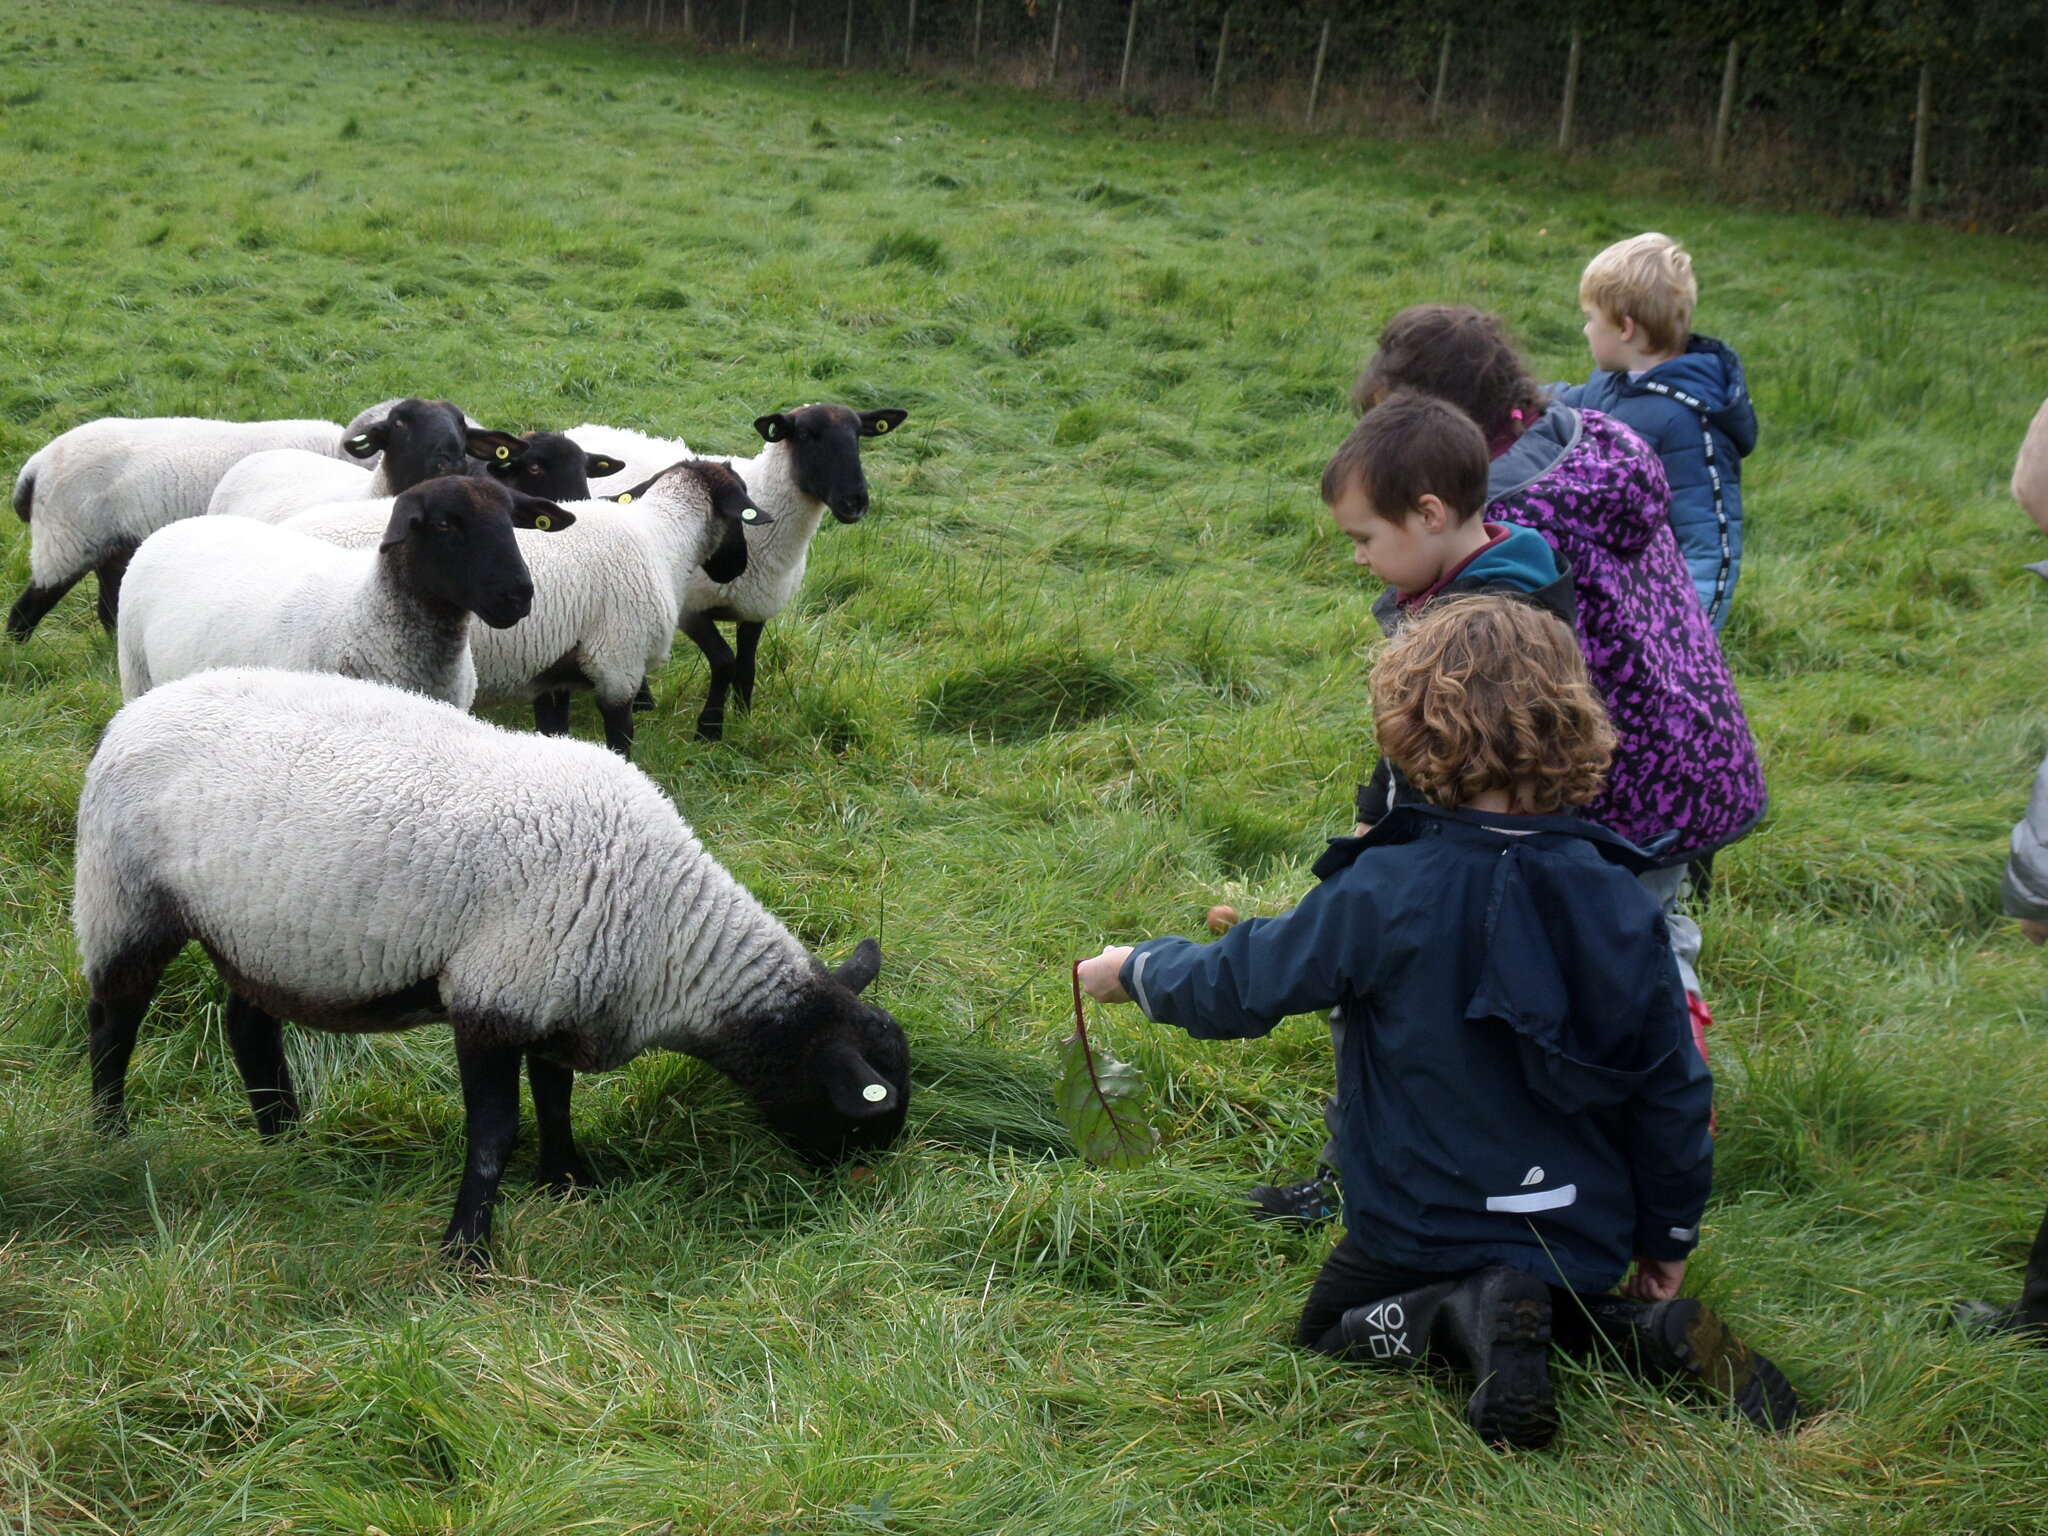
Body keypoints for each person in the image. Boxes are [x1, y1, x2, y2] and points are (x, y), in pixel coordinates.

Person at [1078, 598, 1797, 1451]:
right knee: (1546, 1286)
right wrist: (1666, 1238)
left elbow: (1246, 980)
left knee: (1329, 1335)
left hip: (1419, 1226)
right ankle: (1628, 1330)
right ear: (1575, 725)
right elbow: (1674, 1085)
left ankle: (1467, 1311)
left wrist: (1138, 970)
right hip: (1579, 1235)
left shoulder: (1384, 889)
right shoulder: (1621, 897)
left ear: (1410, 733)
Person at [1256, 305, 1765, 1225]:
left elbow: (1466, 713)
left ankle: (1557, 1181)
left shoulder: (1502, 537)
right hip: (1684, 752)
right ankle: (1632, 1159)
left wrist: (1395, 820)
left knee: (1558, 989)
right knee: (1633, 960)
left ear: (1445, 471)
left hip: (1589, 786)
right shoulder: (1591, 435)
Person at [1245, 389, 1575, 1226]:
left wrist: (1388, 863)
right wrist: (1372, 819)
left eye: (1365, 538)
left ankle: (1382, 1193)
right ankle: (1364, 1176)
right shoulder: (1457, 587)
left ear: (1429, 514)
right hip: (1424, 850)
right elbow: (1405, 748)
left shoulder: (1492, 621)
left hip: (1458, 877)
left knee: (1394, 1030)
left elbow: (1480, 764)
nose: (1358, 558)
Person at [1552, 233, 1757, 632]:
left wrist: (1690, 639)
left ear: (1626, 328)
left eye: (1592, 318)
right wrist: (1513, 393)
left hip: (1655, 619)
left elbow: (1710, 548)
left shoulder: (1689, 423)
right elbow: (1571, 404)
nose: (1585, 330)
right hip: (1602, 595)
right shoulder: (1613, 384)